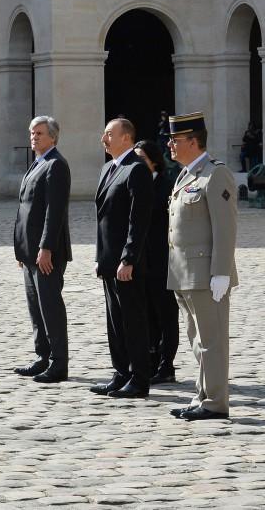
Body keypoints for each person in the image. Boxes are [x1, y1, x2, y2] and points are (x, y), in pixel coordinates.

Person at [166, 112, 238, 421]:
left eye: (175, 140)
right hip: (184, 273)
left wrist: (221, 271)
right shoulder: (185, 175)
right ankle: (203, 396)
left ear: (193, 141)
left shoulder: (215, 174)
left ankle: (215, 403)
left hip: (206, 273)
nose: (170, 145)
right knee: (197, 341)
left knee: (212, 342)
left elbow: (225, 226)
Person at [92, 118, 153, 399]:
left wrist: (128, 258)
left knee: (132, 321)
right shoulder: (109, 168)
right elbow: (102, 219)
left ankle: (139, 378)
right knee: (114, 321)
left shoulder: (136, 170)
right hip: (108, 260)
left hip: (126, 263)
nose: (103, 139)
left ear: (126, 138)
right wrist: (100, 257)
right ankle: (121, 372)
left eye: (109, 134)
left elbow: (137, 221)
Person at [12, 116, 72, 384]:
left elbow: (54, 211)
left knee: (50, 307)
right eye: (31, 133)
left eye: (39, 133)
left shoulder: (56, 165)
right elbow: (25, 210)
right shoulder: (37, 163)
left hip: (46, 253)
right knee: (35, 308)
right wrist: (21, 250)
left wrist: (46, 247)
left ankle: (59, 363)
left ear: (53, 137)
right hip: (30, 253)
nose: (33, 137)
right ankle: (42, 356)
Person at [134, 139, 178, 385]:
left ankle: (166, 365)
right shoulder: (136, 184)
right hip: (141, 261)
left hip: (163, 261)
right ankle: (150, 359)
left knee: (166, 315)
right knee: (146, 314)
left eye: (142, 159)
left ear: (154, 161)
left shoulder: (166, 185)